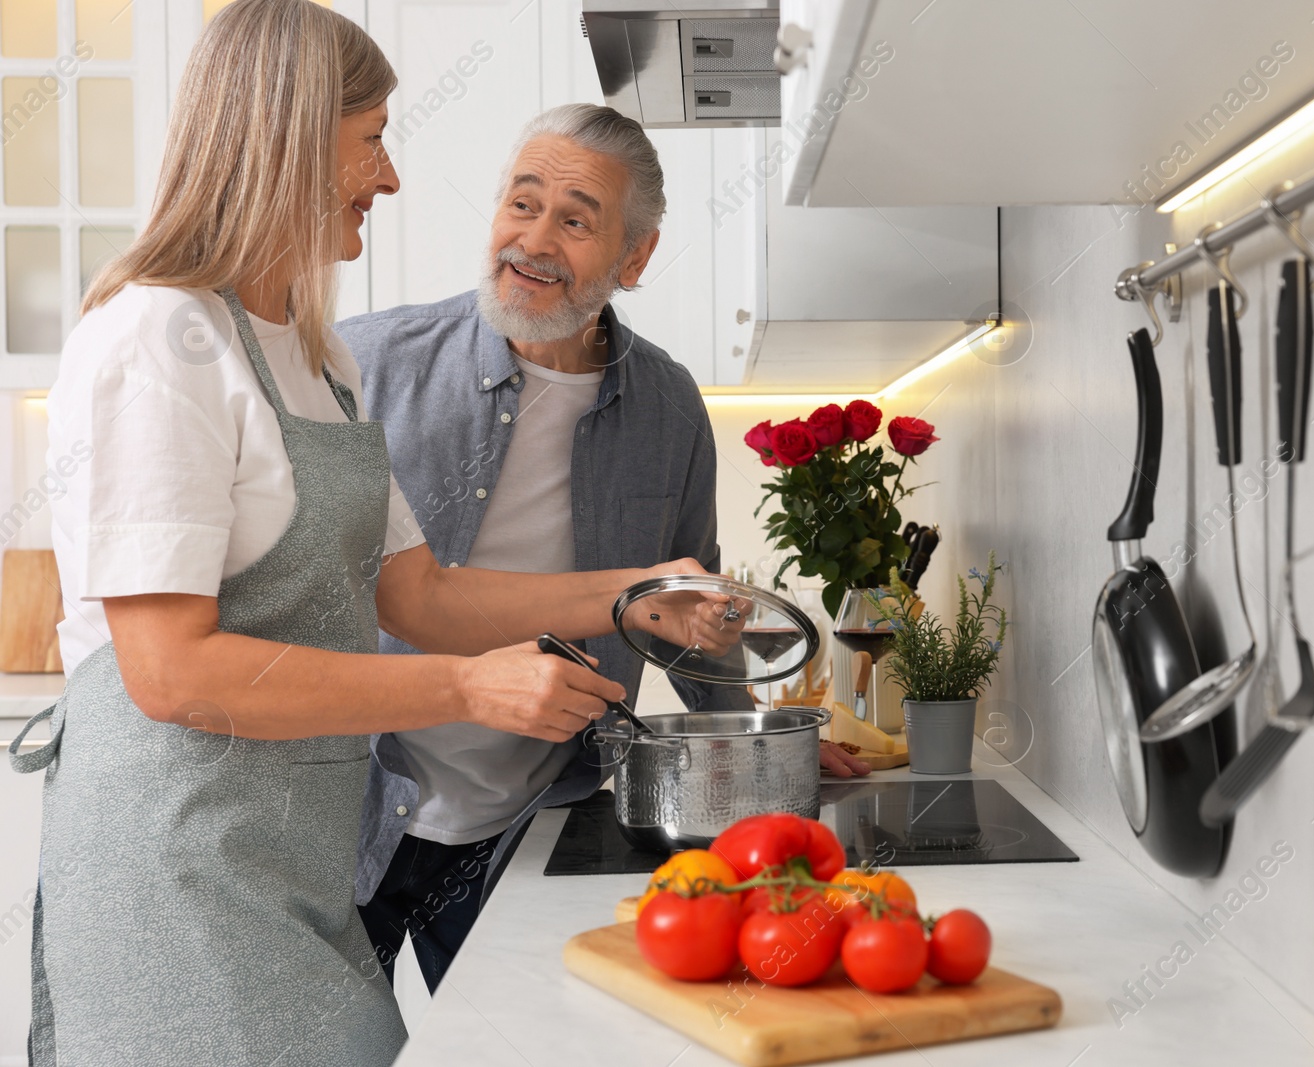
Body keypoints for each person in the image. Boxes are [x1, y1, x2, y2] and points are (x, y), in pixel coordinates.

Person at [9, 5, 730, 1065]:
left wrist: (630, 591)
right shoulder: (157, 336)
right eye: (371, 139)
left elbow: (420, 594)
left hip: (287, 865)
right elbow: (167, 669)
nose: (389, 179)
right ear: (291, 137)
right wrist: (467, 687)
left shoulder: (316, 354)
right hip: (177, 861)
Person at [337, 103, 871, 993]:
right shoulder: (370, 364)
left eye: (576, 219)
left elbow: (689, 612)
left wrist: (753, 738)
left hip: (533, 820)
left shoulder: (666, 408)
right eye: (521, 203)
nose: (533, 240)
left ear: (635, 257)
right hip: (352, 810)